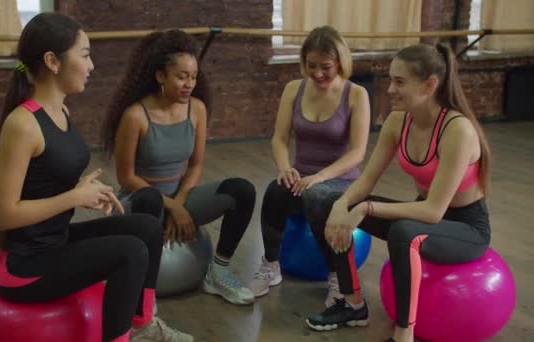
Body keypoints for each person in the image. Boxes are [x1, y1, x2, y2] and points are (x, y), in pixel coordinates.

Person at [0, 13, 192, 342]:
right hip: (22, 265)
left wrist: (85, 190)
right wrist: (73, 197)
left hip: (55, 238)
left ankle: (143, 324)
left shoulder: (61, 111)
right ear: (52, 61)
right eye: (85, 54)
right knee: (130, 252)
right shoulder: (22, 124)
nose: (92, 65)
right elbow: (1, 214)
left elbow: (45, 177)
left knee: (148, 227)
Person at [304, 43, 492, 342]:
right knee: (326, 200)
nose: (390, 89)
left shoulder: (458, 130)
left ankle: (404, 334)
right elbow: (365, 182)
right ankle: (353, 304)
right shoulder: (397, 121)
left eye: (400, 82)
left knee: (403, 231)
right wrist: (342, 204)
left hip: (465, 228)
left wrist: (364, 209)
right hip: (424, 216)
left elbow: (433, 211)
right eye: (390, 79)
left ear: (430, 85)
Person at [102, 29, 256, 305]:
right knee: (150, 201)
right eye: (182, 76)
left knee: (242, 191)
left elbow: (196, 166)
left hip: (179, 195)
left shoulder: (196, 109)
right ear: (160, 76)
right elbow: (126, 177)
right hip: (141, 200)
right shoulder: (135, 115)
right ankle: (140, 299)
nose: (189, 84)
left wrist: (180, 203)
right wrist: (172, 207)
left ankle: (218, 272)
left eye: (194, 77)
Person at [249, 26, 370, 307]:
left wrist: (320, 176)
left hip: (342, 179)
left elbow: (357, 152)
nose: (317, 74)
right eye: (311, 66)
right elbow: (279, 139)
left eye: (325, 67)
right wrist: (284, 168)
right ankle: (272, 265)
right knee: (275, 191)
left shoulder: (356, 94)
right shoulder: (294, 89)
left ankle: (339, 276)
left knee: (316, 196)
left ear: (340, 61)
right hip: (303, 176)